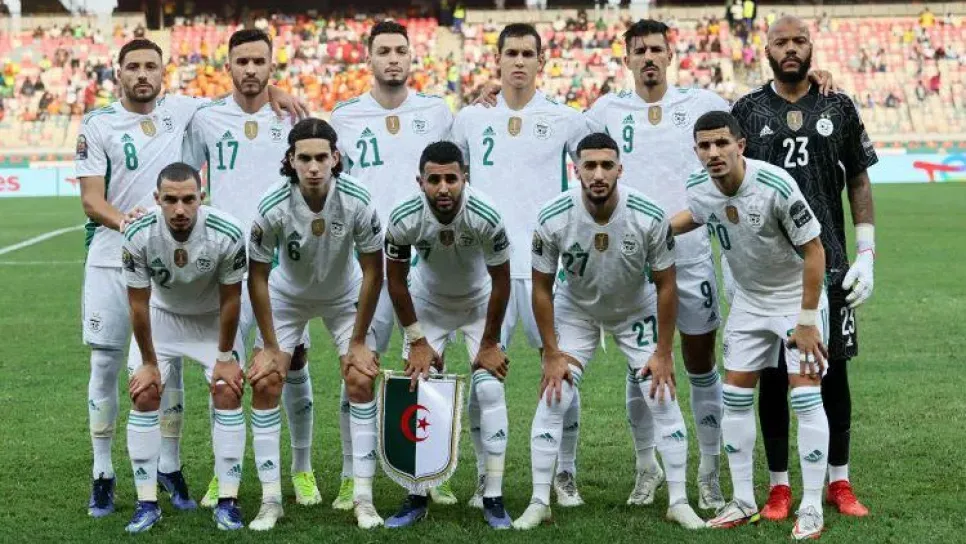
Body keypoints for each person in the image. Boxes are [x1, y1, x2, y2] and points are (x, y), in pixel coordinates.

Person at [76, 37, 304, 519]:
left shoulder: (185, 110)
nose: (142, 74)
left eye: (151, 66)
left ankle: (169, 466)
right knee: (107, 365)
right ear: (118, 72)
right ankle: (102, 472)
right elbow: (91, 200)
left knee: (170, 368)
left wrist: (276, 92)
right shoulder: (97, 123)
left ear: (163, 72)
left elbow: (246, 89)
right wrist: (130, 225)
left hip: (171, 260)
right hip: (113, 256)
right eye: (133, 66)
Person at [513, 133, 703, 530]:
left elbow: (667, 285)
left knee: (661, 394)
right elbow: (541, 288)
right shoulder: (552, 216)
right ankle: (539, 501)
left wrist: (664, 351)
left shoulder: (649, 215)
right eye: (590, 166)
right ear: (577, 170)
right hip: (577, 310)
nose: (598, 174)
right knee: (555, 393)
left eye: (606, 165)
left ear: (620, 169)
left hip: (635, 309)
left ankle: (679, 501)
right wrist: (551, 352)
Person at [730, 15, 878, 520]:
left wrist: (866, 253)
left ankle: (839, 480)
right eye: (781, 42)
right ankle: (779, 486)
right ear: (766, 50)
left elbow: (858, 179)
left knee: (832, 372)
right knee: (773, 375)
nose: (790, 49)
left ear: (812, 47)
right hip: (768, 271)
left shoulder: (838, 104)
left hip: (830, 264)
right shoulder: (746, 111)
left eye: (799, 41)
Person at [583, 19, 730, 509]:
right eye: (639, 50)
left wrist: (815, 81)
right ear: (626, 59)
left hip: (690, 256)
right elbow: (562, 142)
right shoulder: (605, 110)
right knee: (640, 368)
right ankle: (646, 467)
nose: (648, 57)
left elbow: (751, 123)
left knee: (700, 364)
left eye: (656, 49)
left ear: (671, 55)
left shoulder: (703, 103)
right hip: (635, 264)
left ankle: (708, 472)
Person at [449, 23, 590, 508]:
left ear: (541, 62)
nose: (519, 61)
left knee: (562, 373)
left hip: (548, 270)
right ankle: (484, 477)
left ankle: (565, 473)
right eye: (511, 53)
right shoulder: (470, 118)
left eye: (528, 54)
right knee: (483, 376)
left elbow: (599, 169)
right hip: (487, 271)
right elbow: (447, 179)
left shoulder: (566, 119)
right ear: (498, 59)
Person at [181, 28, 321, 515]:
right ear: (228, 67)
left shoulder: (292, 117)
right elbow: (184, 178)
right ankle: (226, 473)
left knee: (292, 365)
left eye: (259, 61)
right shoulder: (205, 119)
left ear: (271, 66)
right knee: (224, 372)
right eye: (241, 61)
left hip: (282, 269)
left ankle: (301, 468)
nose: (250, 69)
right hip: (225, 268)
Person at [674, 110, 829, 540]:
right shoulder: (698, 187)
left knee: (805, 397)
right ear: (696, 150)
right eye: (704, 145)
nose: (713, 152)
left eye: (722, 143)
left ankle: (811, 505)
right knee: (735, 396)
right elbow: (698, 215)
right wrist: (655, 232)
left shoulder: (775, 185)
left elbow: (815, 250)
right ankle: (743, 500)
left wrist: (806, 320)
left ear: (740, 145)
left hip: (795, 299)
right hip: (748, 300)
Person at [329, 19, 455, 508]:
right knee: (358, 368)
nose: (393, 59)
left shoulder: (437, 112)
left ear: (411, 56)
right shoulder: (345, 116)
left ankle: (432, 471)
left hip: (426, 264)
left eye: (400, 50)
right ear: (369, 58)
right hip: (368, 266)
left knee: (430, 368)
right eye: (383, 51)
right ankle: (349, 475)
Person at [247, 118, 385, 529]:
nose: (313, 166)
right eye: (304, 158)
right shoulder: (271, 205)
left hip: (344, 297)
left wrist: (358, 341)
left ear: (335, 158)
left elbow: (373, 270)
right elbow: (257, 275)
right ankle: (271, 500)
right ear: (290, 160)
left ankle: (363, 497)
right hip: (288, 298)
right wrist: (270, 346)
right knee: (266, 381)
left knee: (360, 378)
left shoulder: (358, 199)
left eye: (321, 157)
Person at [382, 141, 512, 529]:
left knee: (490, 389)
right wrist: (417, 341)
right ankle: (416, 495)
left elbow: (501, 281)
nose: (443, 188)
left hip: (479, 305)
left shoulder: (485, 213)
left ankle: (493, 496)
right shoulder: (404, 217)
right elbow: (395, 281)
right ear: (419, 181)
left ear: (464, 178)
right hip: (428, 305)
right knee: (418, 387)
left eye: (451, 179)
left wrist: (489, 343)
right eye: (434, 179)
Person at [121, 163, 248, 532]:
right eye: (171, 200)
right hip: (161, 317)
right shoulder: (138, 234)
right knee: (144, 393)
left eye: (189, 199)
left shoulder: (226, 232)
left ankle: (228, 501)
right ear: (156, 199)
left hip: (211, 320)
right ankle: (146, 503)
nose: (180, 209)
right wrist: (148, 362)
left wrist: (224, 357)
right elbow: (138, 305)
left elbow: (231, 300)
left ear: (201, 198)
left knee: (227, 391)